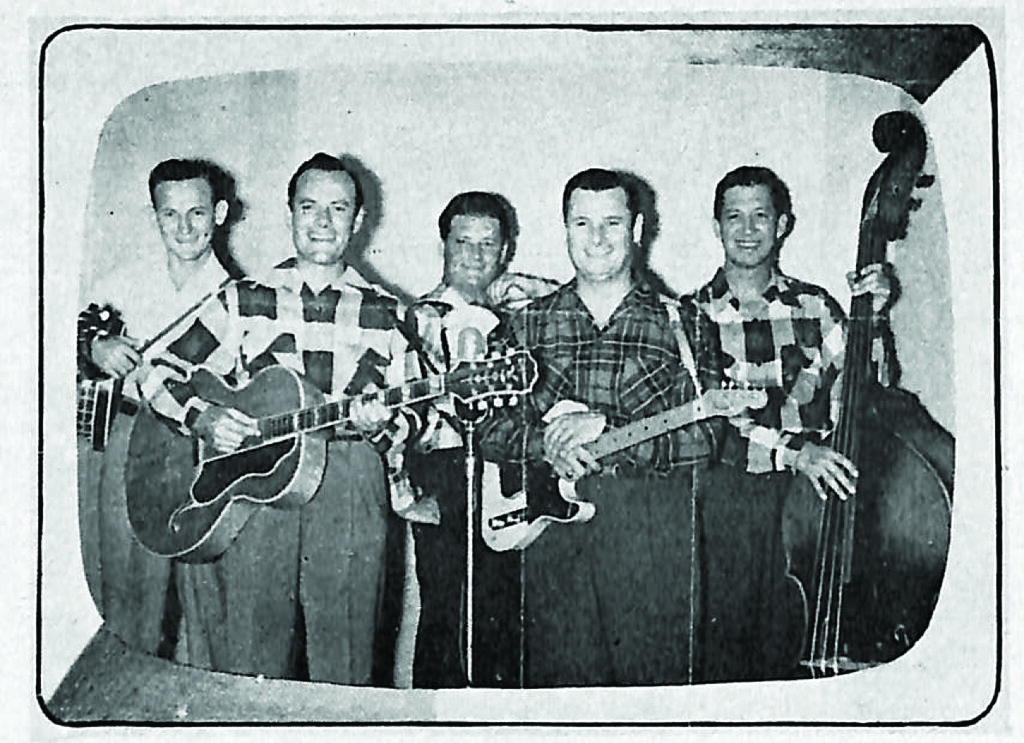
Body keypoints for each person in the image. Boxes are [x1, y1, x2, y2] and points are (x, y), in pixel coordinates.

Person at [137, 152, 419, 684]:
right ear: (289, 213)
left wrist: (382, 424)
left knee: (348, 661)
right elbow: (157, 370)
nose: (322, 222)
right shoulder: (243, 298)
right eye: (309, 207)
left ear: (359, 221)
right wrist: (202, 416)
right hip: (256, 485)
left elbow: (411, 423)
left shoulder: (389, 312)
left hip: (349, 478)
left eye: (339, 209)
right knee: (252, 656)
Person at [475, 168, 722, 687]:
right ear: (565, 229)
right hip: (550, 533)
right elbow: (486, 429)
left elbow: (707, 439)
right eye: (582, 223)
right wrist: (543, 442)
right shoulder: (525, 325)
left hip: (653, 533)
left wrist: (611, 428)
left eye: (612, 223)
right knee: (561, 700)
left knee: (654, 699)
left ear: (636, 230)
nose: (597, 239)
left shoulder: (684, 323)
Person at [680, 165, 892, 682]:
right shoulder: (688, 316)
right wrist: (797, 452)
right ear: (716, 226)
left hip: (815, 497)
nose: (747, 229)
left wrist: (876, 319)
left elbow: (872, 388)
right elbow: (708, 421)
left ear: (782, 225)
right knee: (730, 653)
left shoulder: (817, 307)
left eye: (761, 216)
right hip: (733, 495)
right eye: (734, 216)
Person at [76, 157, 243, 658]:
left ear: (219, 213)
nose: (185, 227)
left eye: (196, 213)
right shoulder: (122, 281)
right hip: (129, 443)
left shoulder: (240, 296)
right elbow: (58, 339)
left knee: (210, 601)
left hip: (200, 451)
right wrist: (94, 349)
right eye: (170, 215)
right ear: (155, 216)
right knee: (127, 596)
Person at [402, 191, 558, 688]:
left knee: (508, 608)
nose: (474, 255)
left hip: (512, 474)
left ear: (505, 251)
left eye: (487, 244)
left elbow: (574, 302)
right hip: (444, 472)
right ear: (444, 246)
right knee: (446, 607)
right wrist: (403, 491)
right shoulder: (415, 319)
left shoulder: (519, 318)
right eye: (462, 242)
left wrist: (522, 285)